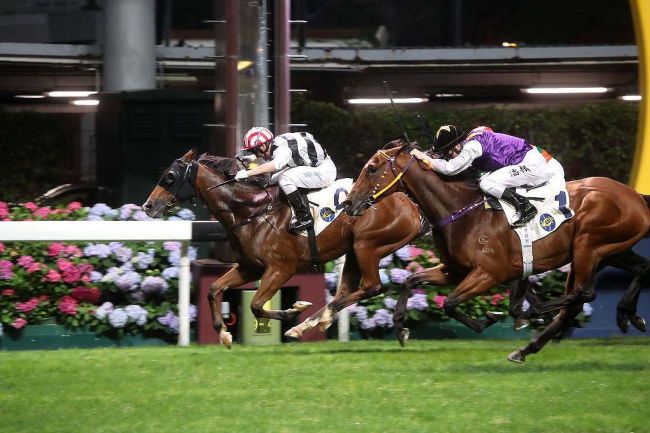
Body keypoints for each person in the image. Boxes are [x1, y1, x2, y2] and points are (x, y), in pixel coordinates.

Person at [410, 125, 565, 227]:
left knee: (487, 183)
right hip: (528, 160)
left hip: (532, 164)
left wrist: (426, 159)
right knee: (484, 180)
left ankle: (525, 207)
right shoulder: (473, 140)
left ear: (457, 145)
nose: (449, 157)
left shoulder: (472, 146)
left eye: (448, 153)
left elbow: (451, 168)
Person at [235, 127, 337, 232]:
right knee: (271, 180)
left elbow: (274, 165)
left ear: (264, 145)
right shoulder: (276, 141)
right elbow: (272, 153)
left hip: (324, 170)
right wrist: (252, 158)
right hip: (313, 165)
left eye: (255, 150)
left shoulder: (283, 149)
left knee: (285, 179)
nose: (256, 154)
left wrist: (247, 173)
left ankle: (305, 217)